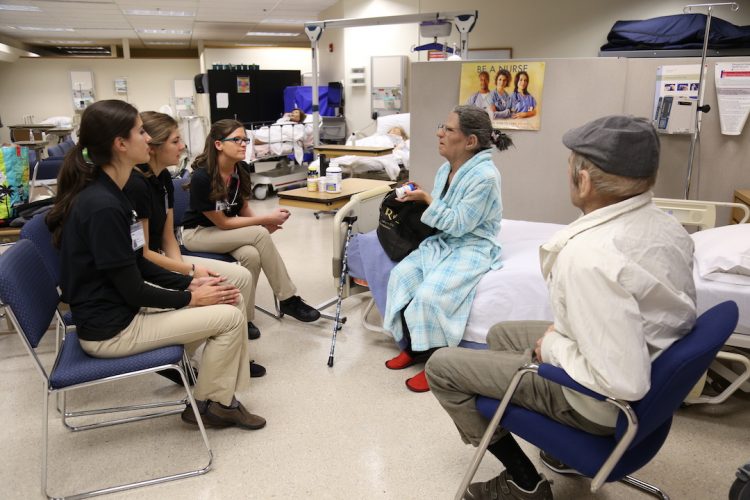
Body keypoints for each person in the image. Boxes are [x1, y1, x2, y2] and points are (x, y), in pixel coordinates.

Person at [426, 115, 697, 499]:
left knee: (441, 367)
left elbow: (622, 381)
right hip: (643, 364)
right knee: (500, 333)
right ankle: (559, 448)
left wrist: (552, 347)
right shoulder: (667, 226)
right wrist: (564, 335)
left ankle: (523, 481)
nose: (566, 171)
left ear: (584, 182)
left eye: (570, 164)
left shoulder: (590, 258)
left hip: (598, 404)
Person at [46, 99, 266, 430]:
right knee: (231, 319)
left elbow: (138, 262)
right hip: (112, 329)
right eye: (139, 132)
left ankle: (216, 394)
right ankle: (214, 405)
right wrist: (191, 298)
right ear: (120, 144)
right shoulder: (103, 206)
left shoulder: (113, 193)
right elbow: (133, 288)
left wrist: (190, 284)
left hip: (121, 311)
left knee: (226, 294)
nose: (148, 139)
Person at [122, 111, 265, 377]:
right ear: (154, 147)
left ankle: (235, 357)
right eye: (176, 141)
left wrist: (182, 267)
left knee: (243, 276)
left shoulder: (164, 178)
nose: (184, 146)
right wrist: (187, 274)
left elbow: (167, 237)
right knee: (222, 292)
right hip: (148, 264)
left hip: (166, 256)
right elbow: (143, 254)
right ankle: (186, 360)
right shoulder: (136, 186)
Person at [383, 105, 513, 393]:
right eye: (443, 126)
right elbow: (444, 216)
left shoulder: (485, 177)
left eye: (449, 129)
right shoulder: (447, 169)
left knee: (430, 296)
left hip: (473, 245)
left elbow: (458, 223)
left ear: (470, 142)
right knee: (401, 277)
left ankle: (437, 364)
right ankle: (413, 348)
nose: (439, 133)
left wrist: (427, 199)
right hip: (446, 241)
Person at [181, 119, 321, 327]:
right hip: (199, 234)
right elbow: (223, 223)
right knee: (258, 233)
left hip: (224, 231)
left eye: (245, 139)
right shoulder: (203, 177)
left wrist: (260, 226)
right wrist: (264, 223)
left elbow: (243, 208)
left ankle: (243, 317)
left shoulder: (241, 169)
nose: (244, 144)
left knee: (252, 256)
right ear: (218, 144)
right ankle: (288, 299)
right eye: (236, 139)